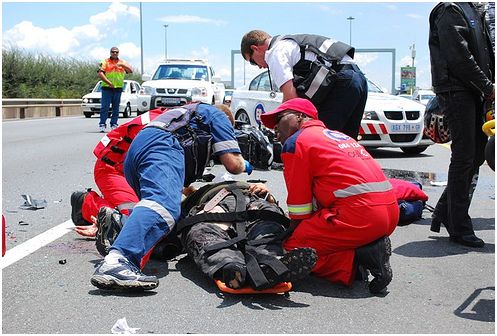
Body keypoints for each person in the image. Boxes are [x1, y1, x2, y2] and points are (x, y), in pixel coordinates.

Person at [90, 103, 253, 291]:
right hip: (162, 144)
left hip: (137, 152)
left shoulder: (185, 115)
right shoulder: (217, 115)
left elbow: (176, 178)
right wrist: (245, 165)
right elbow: (232, 164)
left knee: (155, 208)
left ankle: (122, 225)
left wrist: (189, 193)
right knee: (163, 207)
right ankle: (117, 261)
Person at [260, 98, 399, 294]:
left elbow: (300, 207)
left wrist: (289, 236)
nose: (275, 128)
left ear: (300, 116)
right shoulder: (336, 136)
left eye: (279, 119)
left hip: (360, 216)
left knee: (291, 251)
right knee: (318, 238)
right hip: (389, 214)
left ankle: (359, 259)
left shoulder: (296, 142)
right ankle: (366, 251)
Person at [70, 104, 235, 238]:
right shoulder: (181, 127)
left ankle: (115, 208)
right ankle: (86, 203)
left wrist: (189, 193)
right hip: (113, 169)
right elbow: (161, 164)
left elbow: (168, 171)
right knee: (140, 222)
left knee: (160, 215)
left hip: (130, 168)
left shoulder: (179, 118)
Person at [428, 2, 495, 247]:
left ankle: (446, 211)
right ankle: (458, 226)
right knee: (465, 156)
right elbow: (459, 56)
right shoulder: (451, 9)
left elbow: (485, 54)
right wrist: (488, 87)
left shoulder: (474, 10)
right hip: (457, 90)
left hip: (474, 90)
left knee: (476, 155)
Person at [178, 181, 317, 291]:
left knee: (268, 225)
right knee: (203, 231)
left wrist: (268, 195)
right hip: (219, 203)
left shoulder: (252, 187)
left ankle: (260, 265)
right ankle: (247, 265)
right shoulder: (192, 198)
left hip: (251, 199)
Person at [240, 30, 368, 139]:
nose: (259, 67)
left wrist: (281, 128)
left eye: (252, 62)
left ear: (255, 49)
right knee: (346, 142)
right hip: (357, 78)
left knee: (322, 139)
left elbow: (291, 99)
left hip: (341, 83)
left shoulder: (274, 53)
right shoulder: (289, 42)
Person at [98, 47, 132, 132]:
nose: (115, 53)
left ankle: (114, 124)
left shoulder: (122, 62)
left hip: (118, 88)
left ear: (118, 53)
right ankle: (102, 124)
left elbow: (130, 70)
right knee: (105, 107)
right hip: (107, 88)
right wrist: (109, 83)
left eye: (116, 52)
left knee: (116, 107)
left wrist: (123, 66)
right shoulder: (105, 62)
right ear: (110, 52)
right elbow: (100, 73)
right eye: (113, 52)